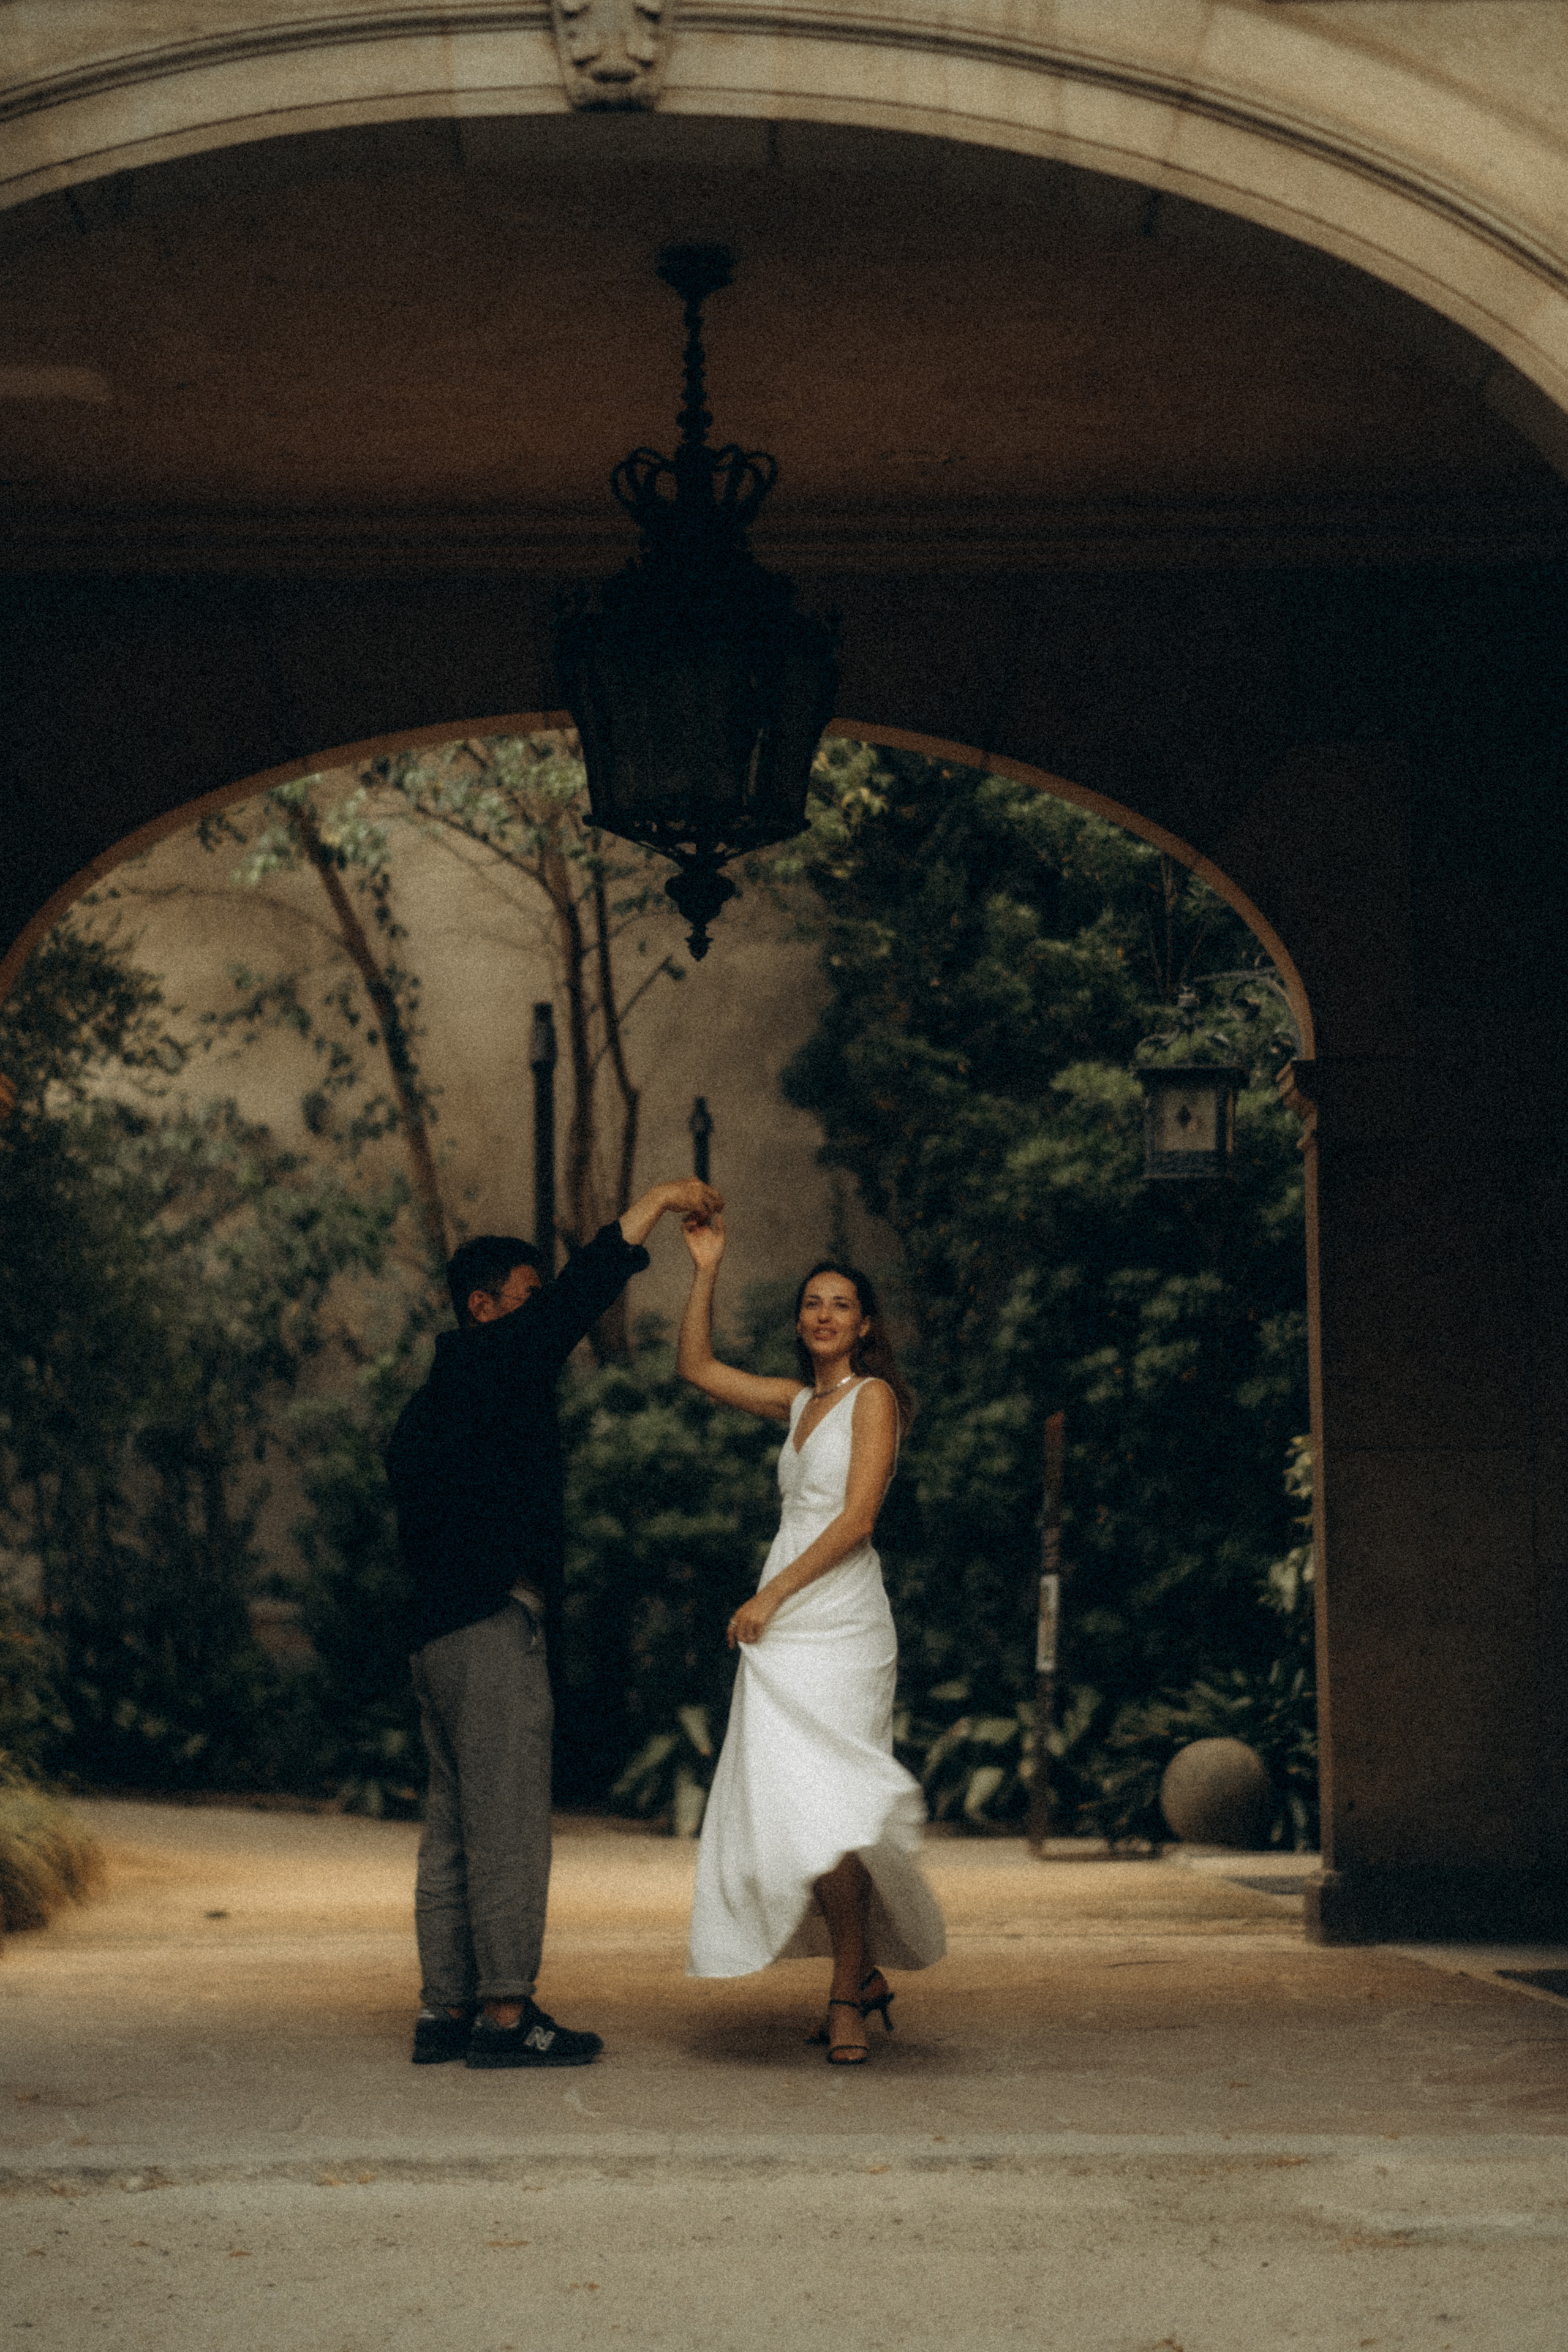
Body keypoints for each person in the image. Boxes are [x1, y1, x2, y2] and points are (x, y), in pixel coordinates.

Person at [386, 1176, 722, 2070]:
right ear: (484, 1306)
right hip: (488, 1631)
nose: (541, 1318)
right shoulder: (491, 1363)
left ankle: (445, 2010)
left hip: (434, 1639)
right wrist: (658, 1201)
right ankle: (505, 2016)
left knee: (452, 1827)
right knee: (506, 1823)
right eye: (525, 1299)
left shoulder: (429, 1403)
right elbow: (580, 1295)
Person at [676, 1215, 945, 2064]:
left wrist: (770, 1595)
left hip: (840, 1620)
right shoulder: (796, 1402)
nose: (826, 1315)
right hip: (785, 1623)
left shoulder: (874, 1399)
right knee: (797, 1801)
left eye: (842, 1305)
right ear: (801, 1323)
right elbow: (696, 1367)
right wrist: (707, 1266)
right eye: (813, 1304)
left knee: (837, 1802)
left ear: (864, 1327)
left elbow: (858, 1520)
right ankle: (859, 1975)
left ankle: (845, 1994)